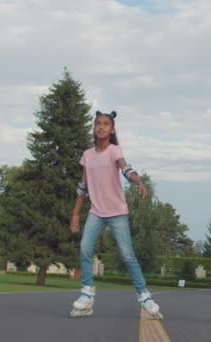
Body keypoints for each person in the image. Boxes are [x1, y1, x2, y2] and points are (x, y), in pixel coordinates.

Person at [69, 110, 163, 320]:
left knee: (127, 255)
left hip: (117, 212)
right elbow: (82, 187)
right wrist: (75, 214)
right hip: (96, 211)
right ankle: (87, 293)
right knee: (85, 248)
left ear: (112, 130)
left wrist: (138, 181)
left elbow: (126, 169)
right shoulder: (87, 155)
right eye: (97, 124)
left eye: (105, 124)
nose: (101, 127)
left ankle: (145, 297)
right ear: (94, 128)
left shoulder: (114, 151)